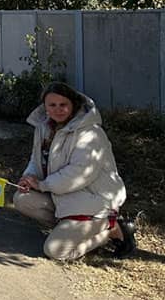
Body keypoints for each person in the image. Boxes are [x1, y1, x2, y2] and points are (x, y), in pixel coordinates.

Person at [13, 82, 136, 260]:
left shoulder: (90, 133)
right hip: (65, 197)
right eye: (52, 105)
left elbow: (79, 174)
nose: (58, 110)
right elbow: (36, 159)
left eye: (63, 105)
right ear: (45, 107)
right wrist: (29, 177)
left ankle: (111, 229)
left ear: (74, 105)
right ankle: (71, 230)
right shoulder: (44, 128)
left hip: (93, 201)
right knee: (22, 199)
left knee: (55, 251)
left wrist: (42, 185)